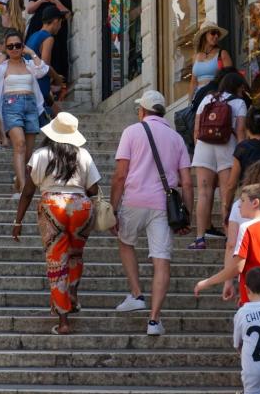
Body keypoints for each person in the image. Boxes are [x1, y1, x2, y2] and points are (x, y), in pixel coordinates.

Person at [111, 90, 193, 336]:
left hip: (134, 200)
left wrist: (113, 208)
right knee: (161, 260)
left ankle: (137, 294)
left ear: (142, 111)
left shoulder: (131, 132)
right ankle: (154, 320)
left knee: (126, 242)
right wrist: (186, 213)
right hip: (163, 206)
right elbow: (187, 182)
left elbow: (120, 175)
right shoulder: (177, 138)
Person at [12, 113, 100, 335]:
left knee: (57, 261)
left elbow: (28, 191)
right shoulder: (84, 155)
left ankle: (63, 321)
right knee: (75, 255)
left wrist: (18, 220)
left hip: (53, 207)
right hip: (81, 207)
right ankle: (72, 293)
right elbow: (94, 190)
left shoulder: (41, 154)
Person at [194, 184, 260, 305]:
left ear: (255, 203)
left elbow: (237, 267)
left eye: (242, 200)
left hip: (259, 300)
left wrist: (206, 282)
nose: (239, 205)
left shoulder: (246, 228)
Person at [188, 71, 249, 250]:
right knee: (225, 192)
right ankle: (229, 237)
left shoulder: (207, 99)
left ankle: (200, 238)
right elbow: (240, 133)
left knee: (204, 193)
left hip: (204, 146)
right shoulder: (239, 103)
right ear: (238, 87)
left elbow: (196, 130)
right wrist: (243, 156)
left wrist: (199, 147)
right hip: (226, 147)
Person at [0, 30, 49, 194]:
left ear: (23, 46)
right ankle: (23, 188)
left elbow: (42, 70)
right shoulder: (2, 67)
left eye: (18, 45)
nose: (14, 49)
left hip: (30, 107)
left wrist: (31, 52)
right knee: (19, 144)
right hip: (11, 106)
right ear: (6, 49)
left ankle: (19, 179)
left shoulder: (29, 65)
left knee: (28, 151)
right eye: (10, 46)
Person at [25, 0, 72, 81]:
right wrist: (41, 0)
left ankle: (57, 81)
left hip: (57, 31)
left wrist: (56, 1)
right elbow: (29, 9)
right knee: (35, 52)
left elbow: (68, 14)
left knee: (56, 54)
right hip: (37, 27)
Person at [25, 7, 64, 115]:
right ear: (56, 21)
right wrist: (57, 78)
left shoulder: (33, 35)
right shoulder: (48, 38)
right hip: (40, 86)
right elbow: (44, 66)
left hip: (30, 82)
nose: (60, 27)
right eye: (61, 22)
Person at [188, 21, 234, 100]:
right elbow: (193, 82)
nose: (216, 36)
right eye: (213, 33)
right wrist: (189, 102)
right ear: (204, 35)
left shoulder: (222, 54)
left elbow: (230, 79)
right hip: (198, 98)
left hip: (216, 97)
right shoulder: (195, 57)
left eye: (218, 34)